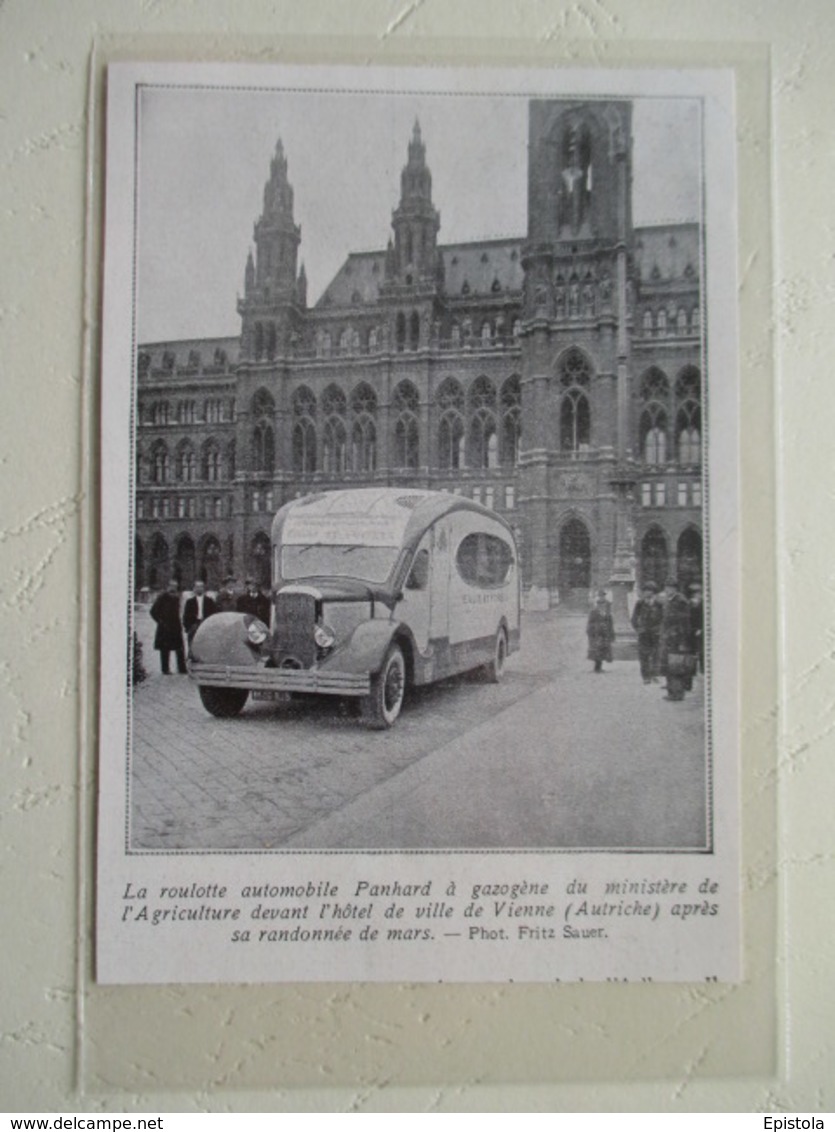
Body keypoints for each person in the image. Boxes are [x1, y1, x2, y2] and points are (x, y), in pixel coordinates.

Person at [659, 581, 695, 701]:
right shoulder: (669, 600)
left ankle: (677, 693)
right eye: (666, 588)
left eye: (670, 588)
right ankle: (672, 690)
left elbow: (684, 622)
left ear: (675, 589)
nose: (667, 590)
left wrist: (682, 640)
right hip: (669, 637)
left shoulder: (680, 601)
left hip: (677, 637)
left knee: (676, 666)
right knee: (670, 665)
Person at [149, 579, 186, 674]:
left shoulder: (177, 597)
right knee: (165, 649)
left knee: (179, 648)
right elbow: (153, 612)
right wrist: (161, 622)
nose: (173, 588)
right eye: (172, 586)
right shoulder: (162, 597)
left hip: (176, 626)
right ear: (168, 586)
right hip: (165, 627)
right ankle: (165, 669)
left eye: (175, 586)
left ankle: (182, 668)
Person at [631, 581, 662, 684]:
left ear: (653, 592)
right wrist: (638, 628)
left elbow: (663, 618)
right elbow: (634, 618)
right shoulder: (640, 603)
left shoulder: (659, 604)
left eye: (649, 591)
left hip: (655, 633)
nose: (647, 593)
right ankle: (646, 677)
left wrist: (660, 629)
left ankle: (654, 675)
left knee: (656, 654)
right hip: (643, 633)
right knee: (643, 655)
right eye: (645, 590)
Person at [586, 589, 614, 674]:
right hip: (596, 633)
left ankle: (599, 667)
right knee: (596, 649)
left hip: (605, 632)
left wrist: (611, 632)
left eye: (603, 596)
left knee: (603, 649)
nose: (602, 598)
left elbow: (610, 622)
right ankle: (597, 667)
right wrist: (591, 631)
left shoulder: (608, 612)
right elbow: (590, 622)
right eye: (600, 596)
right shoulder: (594, 611)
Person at [689, 582, 705, 675]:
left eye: (697, 592)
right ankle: (693, 670)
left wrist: (700, 628)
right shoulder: (690, 603)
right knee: (693, 651)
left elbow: (702, 617)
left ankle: (703, 669)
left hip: (699, 629)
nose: (696, 594)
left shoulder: (702, 603)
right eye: (694, 592)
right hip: (692, 629)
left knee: (701, 650)